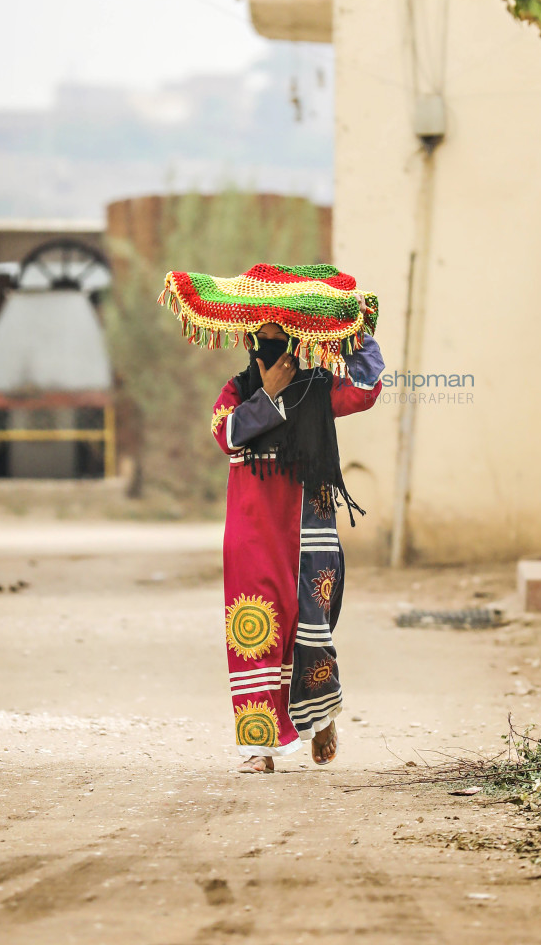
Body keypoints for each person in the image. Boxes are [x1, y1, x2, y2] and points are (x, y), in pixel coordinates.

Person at [208, 283, 384, 773]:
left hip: (310, 524)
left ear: (295, 341)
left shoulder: (319, 386)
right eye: (261, 338)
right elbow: (226, 435)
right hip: (252, 529)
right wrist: (268, 395)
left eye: (279, 339)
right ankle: (259, 748)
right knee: (255, 629)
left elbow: (365, 391)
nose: (270, 347)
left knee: (311, 631)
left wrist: (359, 335)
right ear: (248, 341)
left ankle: (321, 712)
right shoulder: (237, 392)